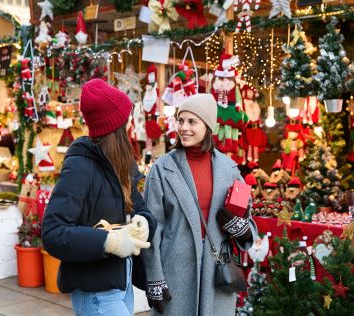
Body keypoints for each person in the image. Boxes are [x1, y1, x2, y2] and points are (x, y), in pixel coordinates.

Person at [41, 79, 157, 316]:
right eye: (128, 120)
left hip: (121, 283)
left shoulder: (121, 164)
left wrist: (144, 223)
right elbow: (53, 233)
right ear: (114, 127)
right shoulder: (80, 167)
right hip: (94, 291)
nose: (132, 124)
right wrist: (109, 241)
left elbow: (141, 209)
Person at [142, 93, 257, 316]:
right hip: (175, 272)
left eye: (192, 121)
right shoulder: (162, 169)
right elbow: (152, 230)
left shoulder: (230, 170)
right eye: (181, 120)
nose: (183, 127)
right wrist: (154, 278)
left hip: (217, 272)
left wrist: (238, 227)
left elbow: (249, 223)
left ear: (208, 126)